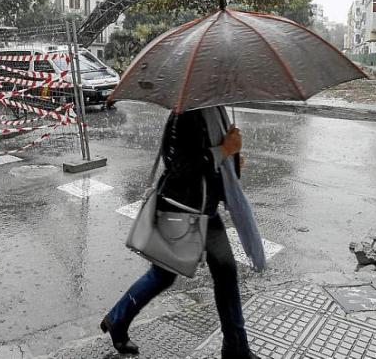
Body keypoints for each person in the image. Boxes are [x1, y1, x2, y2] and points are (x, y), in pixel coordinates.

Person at [100, 109, 259, 358]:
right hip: (182, 210)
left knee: (226, 274)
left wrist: (231, 160)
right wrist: (223, 151)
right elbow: (180, 166)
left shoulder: (214, 109)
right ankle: (118, 319)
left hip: (206, 210)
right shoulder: (184, 114)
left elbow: (211, 163)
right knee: (163, 275)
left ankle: (235, 347)